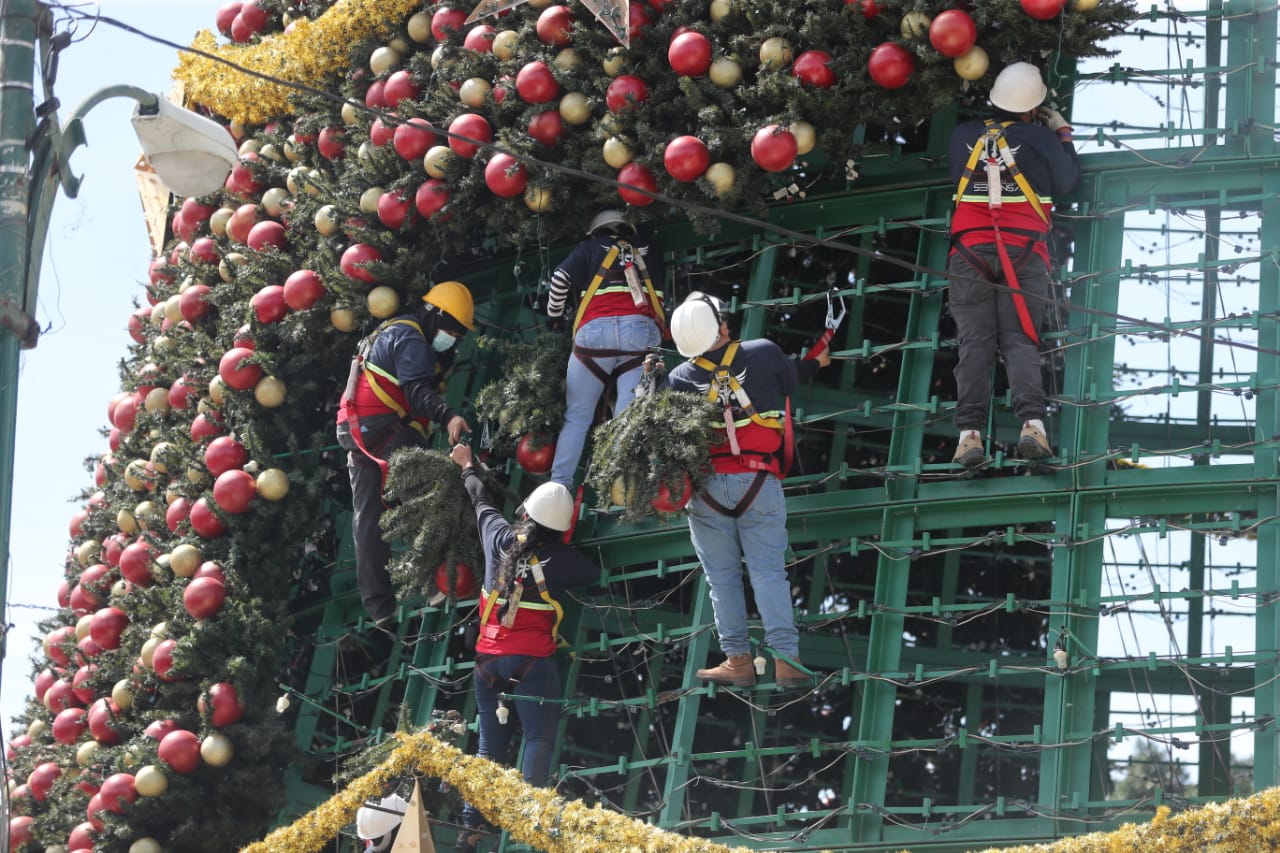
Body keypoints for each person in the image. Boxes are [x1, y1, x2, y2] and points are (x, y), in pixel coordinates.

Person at [653, 293, 829, 689]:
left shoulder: (679, 378)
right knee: (768, 573)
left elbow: (657, 420)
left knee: (722, 579)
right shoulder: (764, 352)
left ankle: (737, 660)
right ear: (723, 326)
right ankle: (786, 660)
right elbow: (793, 376)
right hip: (758, 482)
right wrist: (817, 361)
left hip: (707, 491)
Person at [448, 444, 598, 852]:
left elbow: (480, 497)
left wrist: (466, 465)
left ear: (525, 512)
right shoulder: (562, 560)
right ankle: (528, 819)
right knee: (537, 739)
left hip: (486, 663)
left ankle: (469, 828)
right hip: (532, 662)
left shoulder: (497, 537)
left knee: (489, 746)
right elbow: (591, 570)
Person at [947, 61, 1079, 468]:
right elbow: (1068, 182)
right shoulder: (1040, 138)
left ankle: (969, 436)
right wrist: (1061, 133)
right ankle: (1032, 425)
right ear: (1034, 108)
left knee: (975, 343)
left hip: (969, 253)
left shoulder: (961, 135)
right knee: (1020, 340)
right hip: (1024, 251)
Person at [336, 281, 476, 624]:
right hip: (388, 430)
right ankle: (442, 581)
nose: (452, 338)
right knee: (430, 500)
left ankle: (380, 608)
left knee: (368, 519)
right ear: (433, 314)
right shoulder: (410, 338)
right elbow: (415, 391)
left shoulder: (390, 333)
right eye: (450, 329)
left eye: (459, 335)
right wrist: (449, 415)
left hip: (358, 433)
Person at [545, 209, 666, 490]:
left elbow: (560, 279)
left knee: (577, 416)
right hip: (639, 334)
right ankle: (615, 484)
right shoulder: (650, 251)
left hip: (594, 336)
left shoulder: (588, 248)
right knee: (626, 416)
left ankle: (558, 486)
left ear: (595, 231)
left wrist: (554, 315)